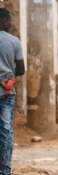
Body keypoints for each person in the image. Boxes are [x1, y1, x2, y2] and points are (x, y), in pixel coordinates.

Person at [0, 9, 24, 175]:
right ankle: (5, 169)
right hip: (6, 92)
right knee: (6, 129)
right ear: (3, 22)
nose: (11, 24)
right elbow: (21, 69)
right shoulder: (14, 41)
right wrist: (8, 75)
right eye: (9, 21)